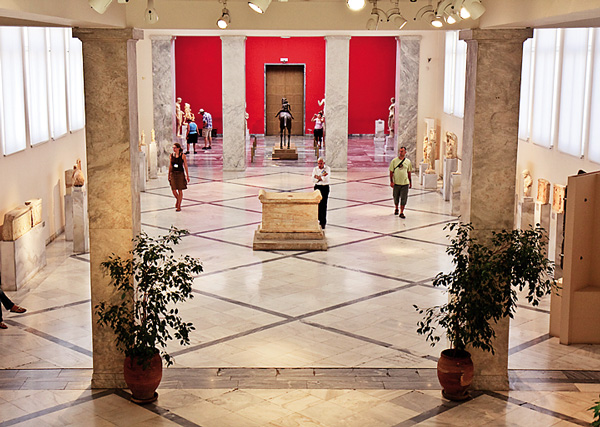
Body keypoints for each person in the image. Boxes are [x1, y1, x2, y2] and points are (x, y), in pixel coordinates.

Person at [389, 146, 412, 218]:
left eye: (402, 151)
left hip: (405, 183)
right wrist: (391, 181)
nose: (401, 152)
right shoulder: (394, 161)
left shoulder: (408, 162)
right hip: (396, 183)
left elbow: (409, 172)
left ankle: (402, 212)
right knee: (396, 197)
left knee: (404, 198)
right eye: (400, 151)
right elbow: (391, 172)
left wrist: (410, 182)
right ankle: (396, 208)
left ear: (405, 152)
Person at [168, 142, 189, 212]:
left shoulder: (183, 156)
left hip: (180, 173)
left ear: (178, 148)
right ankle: (178, 199)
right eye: (173, 148)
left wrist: (187, 175)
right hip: (173, 173)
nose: (174, 149)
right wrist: (169, 174)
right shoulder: (171, 155)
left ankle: (179, 205)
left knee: (180, 189)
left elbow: (185, 166)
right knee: (173, 189)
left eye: (175, 148)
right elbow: (170, 165)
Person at [312, 157, 330, 229]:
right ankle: (318, 219)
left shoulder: (327, 169)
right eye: (318, 163)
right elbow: (313, 179)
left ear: (324, 163)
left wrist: (319, 177)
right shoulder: (315, 169)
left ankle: (323, 222)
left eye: (321, 163)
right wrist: (320, 178)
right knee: (317, 204)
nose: (319, 165)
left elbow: (326, 179)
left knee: (323, 204)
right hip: (317, 187)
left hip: (325, 187)